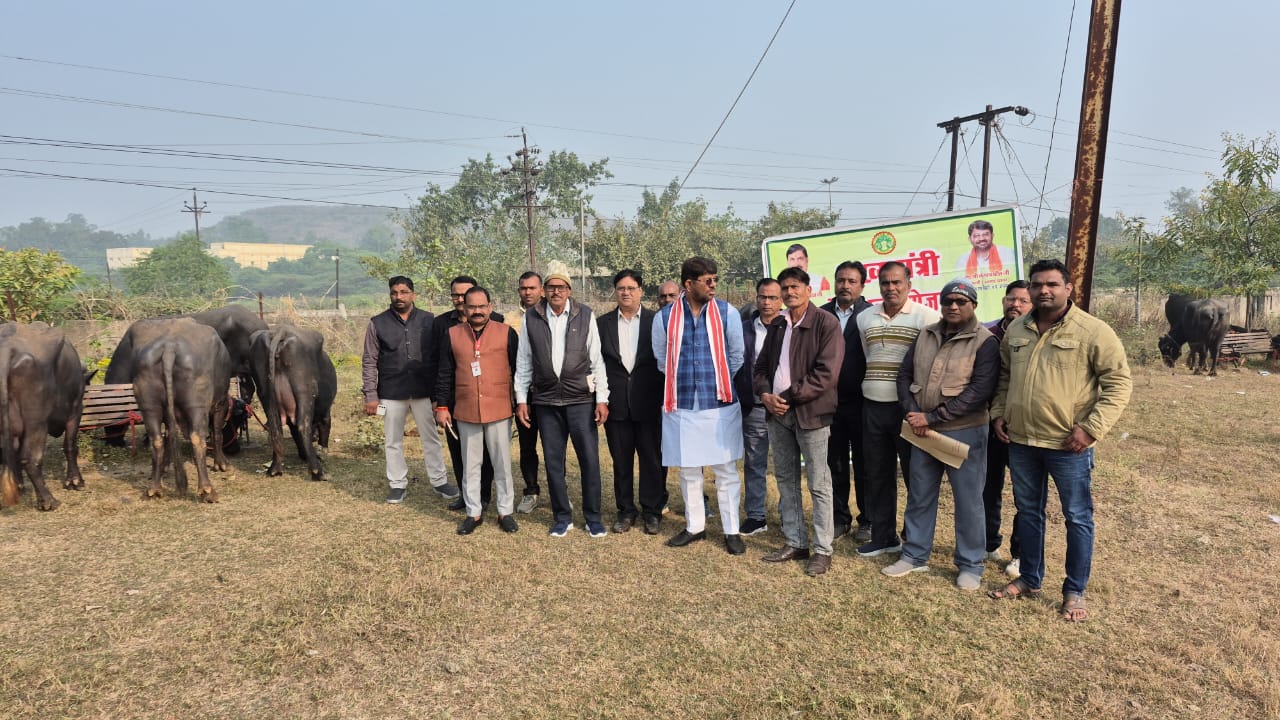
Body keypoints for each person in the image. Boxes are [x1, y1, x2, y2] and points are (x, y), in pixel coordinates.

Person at [989, 259, 1132, 623]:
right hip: (1022, 440)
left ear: (1068, 288)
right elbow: (1004, 376)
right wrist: (999, 412)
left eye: (1052, 284)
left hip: (1069, 444)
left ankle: (1074, 591)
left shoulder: (1092, 331)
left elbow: (1118, 384)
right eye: (1037, 284)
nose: (1044, 291)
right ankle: (1030, 578)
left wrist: (1091, 428)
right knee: (1028, 512)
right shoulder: (1017, 329)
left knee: (1077, 517)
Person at [882, 278, 999, 590]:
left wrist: (932, 417)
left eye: (961, 302)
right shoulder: (926, 334)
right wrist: (913, 413)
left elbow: (979, 391)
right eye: (948, 301)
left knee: (968, 501)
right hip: (922, 433)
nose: (954, 306)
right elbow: (904, 375)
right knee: (920, 495)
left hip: (964, 432)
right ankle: (914, 555)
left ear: (973, 305)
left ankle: (970, 565)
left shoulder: (984, 341)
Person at [754, 267, 844, 576]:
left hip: (811, 414)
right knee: (786, 479)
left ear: (808, 289)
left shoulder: (826, 323)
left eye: (795, 286)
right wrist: (766, 395)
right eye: (785, 288)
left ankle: (822, 549)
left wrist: (787, 397)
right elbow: (761, 368)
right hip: (777, 414)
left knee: (819, 483)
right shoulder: (778, 324)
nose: (789, 292)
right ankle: (796, 541)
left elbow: (826, 374)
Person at [652, 257, 746, 554]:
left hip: (719, 402)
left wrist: (715, 380)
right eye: (707, 280)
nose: (713, 285)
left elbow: (736, 356)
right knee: (689, 469)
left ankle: (731, 531)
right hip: (681, 403)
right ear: (689, 284)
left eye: (715, 279)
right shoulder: (664, 317)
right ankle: (695, 526)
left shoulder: (727, 313)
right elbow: (662, 359)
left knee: (725, 469)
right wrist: (686, 380)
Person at [514, 272, 610, 538]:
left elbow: (596, 360)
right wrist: (521, 399)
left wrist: (602, 398)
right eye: (551, 287)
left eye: (561, 287)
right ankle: (562, 517)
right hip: (546, 402)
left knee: (589, 460)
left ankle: (593, 518)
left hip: (580, 400)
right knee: (553, 463)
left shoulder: (585, 315)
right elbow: (524, 361)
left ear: (569, 289)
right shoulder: (531, 317)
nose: (556, 291)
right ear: (544, 290)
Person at [856, 261, 941, 558]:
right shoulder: (864, 318)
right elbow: (868, 356)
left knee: (916, 475)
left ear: (909, 284)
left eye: (896, 282)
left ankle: (915, 540)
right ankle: (884, 537)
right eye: (885, 283)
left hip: (908, 410)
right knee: (877, 474)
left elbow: (932, 364)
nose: (890, 288)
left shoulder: (927, 317)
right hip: (872, 407)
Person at [361, 275, 459, 505]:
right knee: (392, 440)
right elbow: (369, 361)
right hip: (390, 391)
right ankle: (397, 484)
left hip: (424, 390)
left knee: (431, 438)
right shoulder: (377, 323)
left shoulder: (429, 320)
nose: (399, 297)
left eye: (404, 292)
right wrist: (371, 395)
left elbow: (438, 358)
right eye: (394, 293)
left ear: (414, 295)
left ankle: (439, 481)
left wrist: (439, 396)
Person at [434, 286, 520, 535]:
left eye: (482, 306)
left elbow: (519, 370)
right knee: (470, 464)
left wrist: (521, 403)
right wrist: (442, 406)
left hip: (499, 408)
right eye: (472, 306)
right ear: (464, 307)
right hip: (466, 408)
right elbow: (444, 373)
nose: (477, 311)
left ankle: (505, 511)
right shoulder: (452, 334)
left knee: (501, 464)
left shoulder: (506, 332)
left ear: (490, 307)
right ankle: (474, 512)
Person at [598, 269, 667, 535]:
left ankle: (652, 511)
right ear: (615, 291)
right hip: (616, 406)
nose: (625, 293)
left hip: (649, 403)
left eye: (631, 288)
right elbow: (597, 364)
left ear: (641, 291)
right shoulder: (602, 324)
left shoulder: (656, 321)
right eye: (621, 288)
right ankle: (626, 510)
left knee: (652, 460)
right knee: (621, 462)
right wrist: (600, 399)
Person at [820, 260, 873, 544]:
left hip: (863, 404)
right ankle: (840, 519)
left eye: (852, 281)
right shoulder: (821, 314)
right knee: (835, 463)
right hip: (829, 404)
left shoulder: (872, 314)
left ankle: (869, 520)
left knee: (866, 464)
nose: (845, 285)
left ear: (862, 285)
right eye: (841, 280)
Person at [984, 279, 1032, 577]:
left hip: (1025, 428)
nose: (1015, 305)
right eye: (1011, 299)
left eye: (1023, 300)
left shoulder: (1037, 336)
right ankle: (987, 543)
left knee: (1026, 496)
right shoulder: (987, 333)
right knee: (987, 489)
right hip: (989, 425)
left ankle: (1020, 554)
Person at [734, 277, 783, 537]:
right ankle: (755, 515)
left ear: (781, 300)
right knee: (754, 462)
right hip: (754, 406)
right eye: (763, 297)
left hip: (785, 406)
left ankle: (789, 515)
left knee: (786, 465)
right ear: (756, 298)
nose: (767, 302)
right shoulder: (742, 329)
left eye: (773, 298)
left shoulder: (790, 327)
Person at [513, 271, 544, 513]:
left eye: (532, 288)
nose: (528, 292)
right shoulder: (509, 319)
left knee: (554, 446)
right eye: (524, 288)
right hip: (523, 392)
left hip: (549, 392)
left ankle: (560, 491)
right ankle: (531, 491)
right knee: (527, 445)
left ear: (541, 290)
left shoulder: (551, 314)